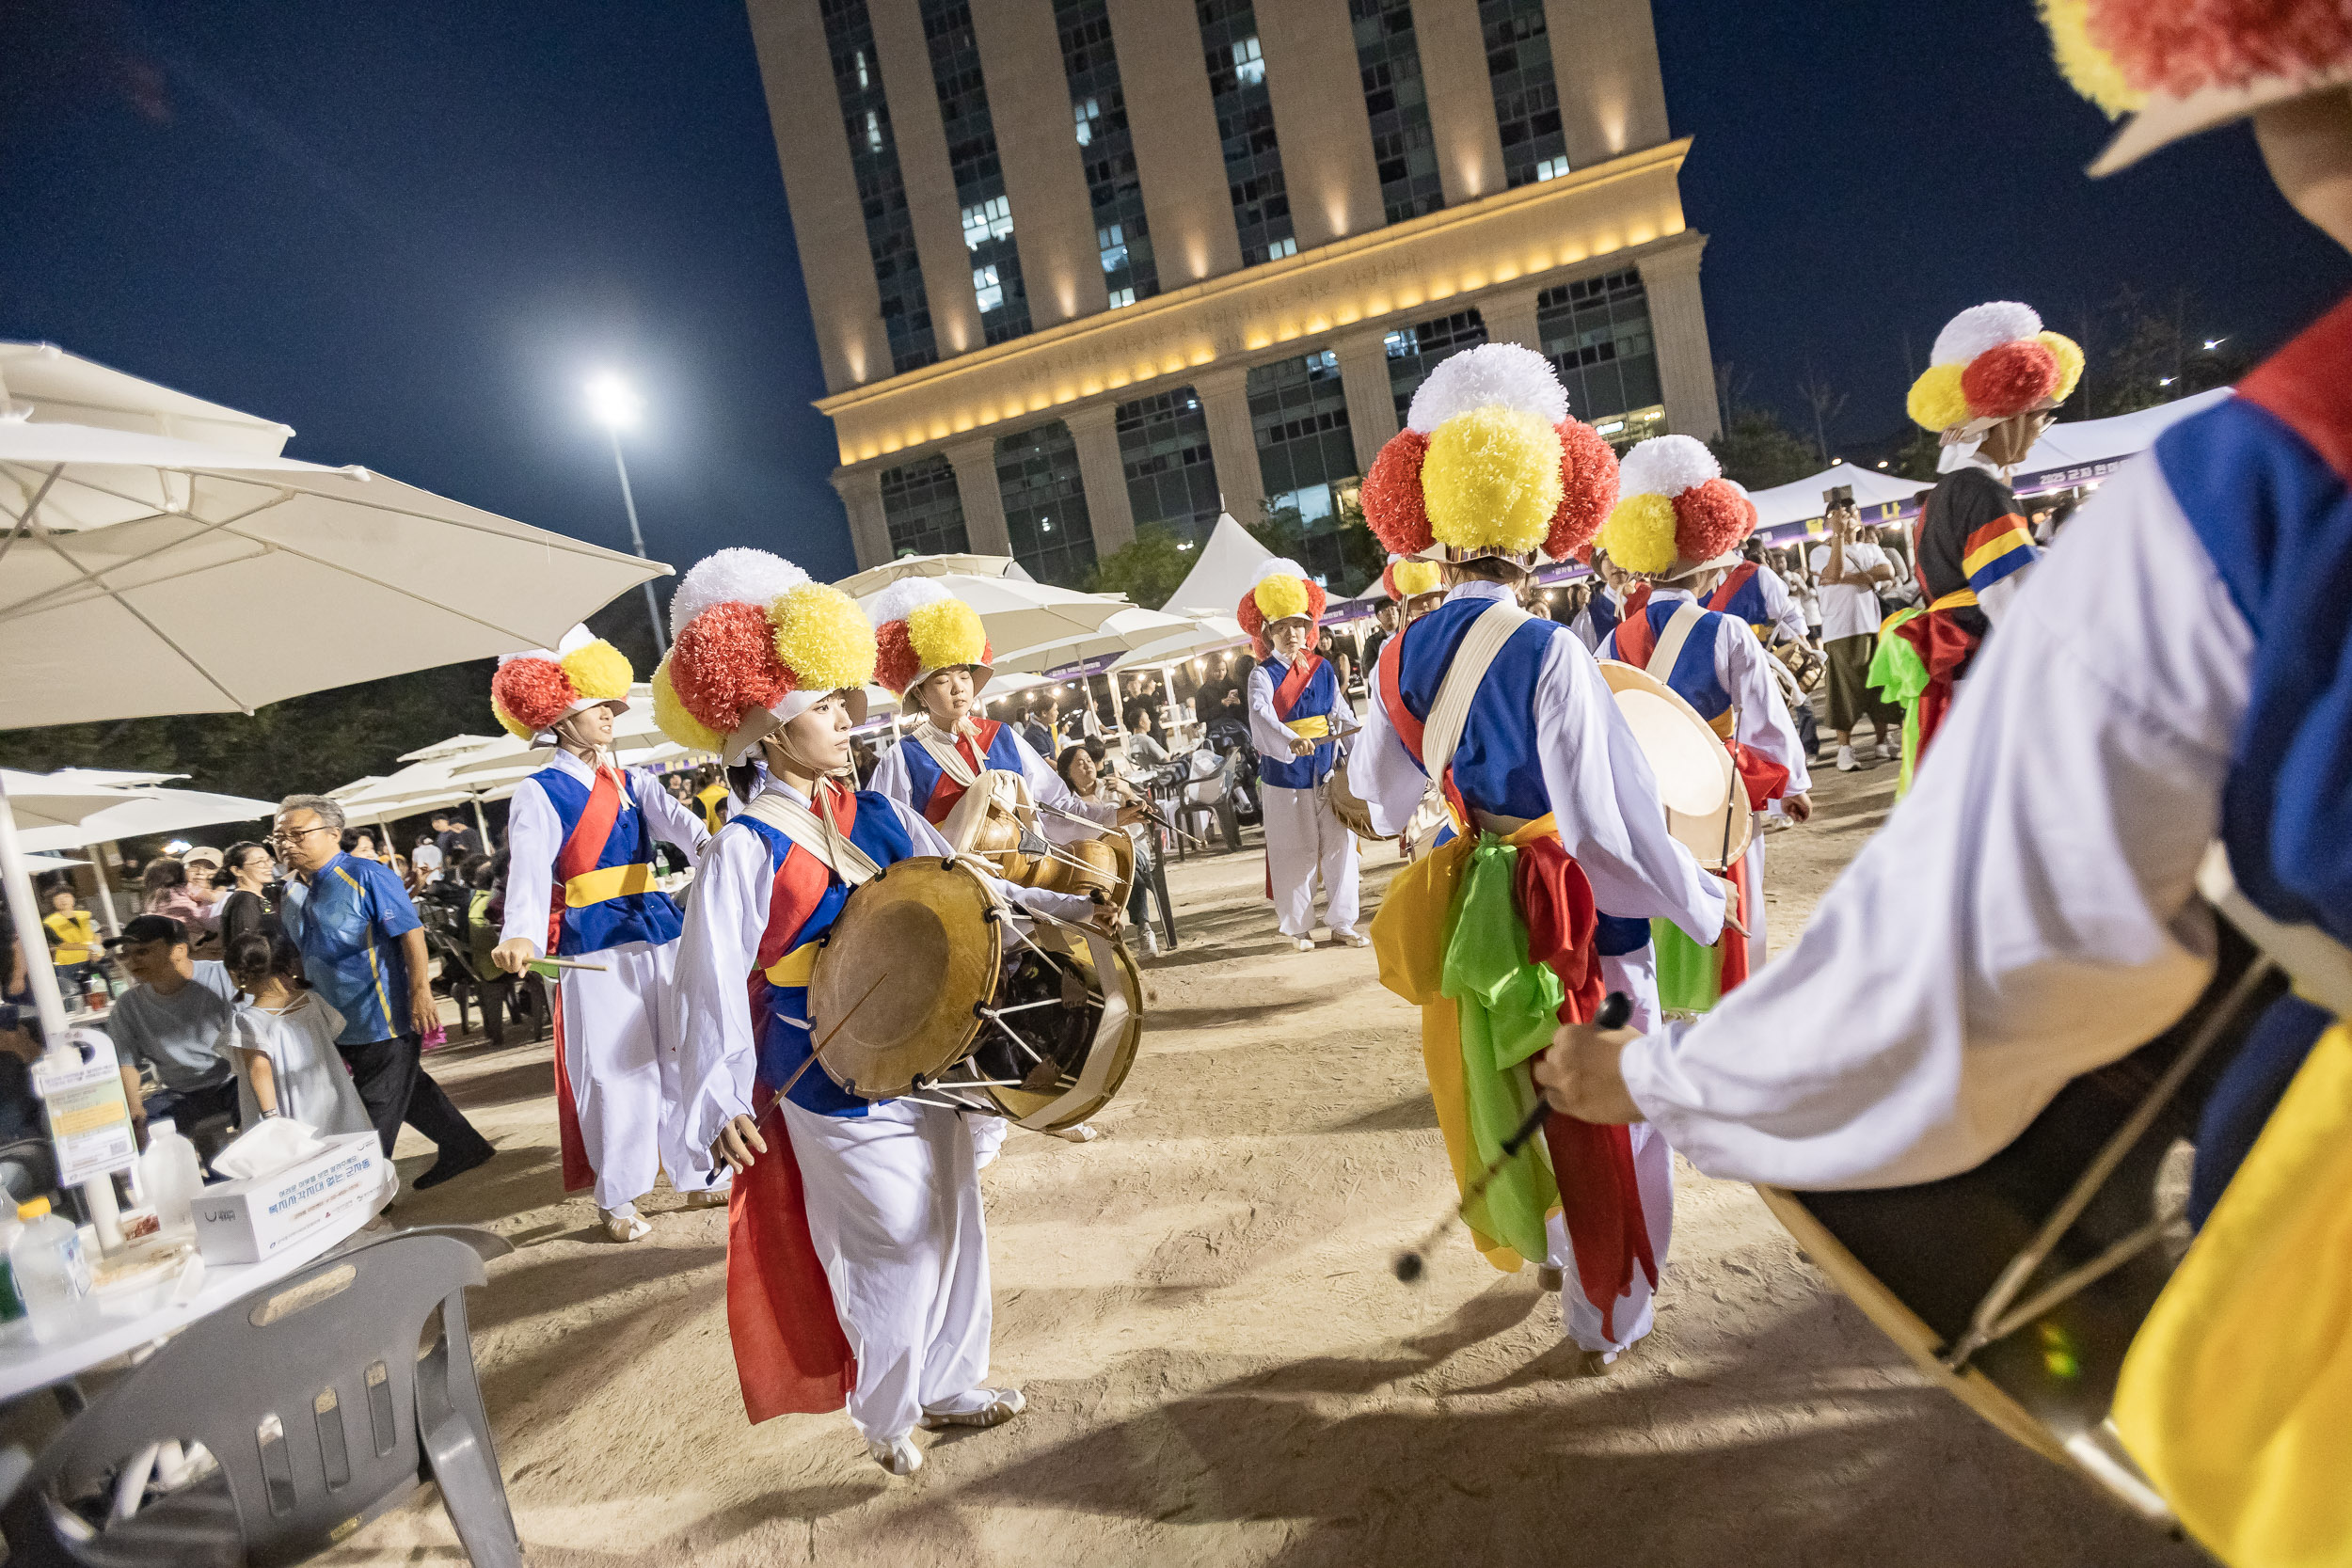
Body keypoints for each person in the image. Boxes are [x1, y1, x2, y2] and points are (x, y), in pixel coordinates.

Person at [1538, 12, 2352, 1557]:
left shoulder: (2250, 477)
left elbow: (1995, 932)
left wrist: (1661, 1069)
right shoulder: (1998, 501)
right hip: (1793, 808)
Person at [657, 547, 1110, 1477]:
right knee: (890, 1236)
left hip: (928, 1044)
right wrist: (719, 1100)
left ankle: (950, 1380)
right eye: (825, 707)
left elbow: (968, 885)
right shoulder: (742, 846)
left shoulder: (878, 812)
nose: (845, 719)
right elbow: (705, 982)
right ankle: (885, 1406)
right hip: (823, 1067)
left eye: (841, 703)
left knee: (951, 1211)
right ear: (774, 731)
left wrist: (1072, 906)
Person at [1351, 341, 1726, 1370]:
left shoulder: (1394, 652)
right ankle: (1611, 1310)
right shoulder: (1554, 648)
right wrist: (1698, 895)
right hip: (1567, 901)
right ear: (1542, 518)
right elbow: (1604, 825)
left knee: (1509, 1079)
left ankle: (1560, 1250)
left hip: (1476, 896)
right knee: (1611, 1092)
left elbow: (1385, 800)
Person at [864, 577, 1138, 1153]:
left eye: (964, 673)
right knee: (982, 1012)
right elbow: (892, 842)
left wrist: (1113, 813)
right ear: (918, 691)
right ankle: (985, 1128)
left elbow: (1059, 811)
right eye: (943, 678)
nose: (959, 687)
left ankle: (1056, 1102)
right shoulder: (901, 758)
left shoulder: (1005, 738)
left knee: (1055, 993)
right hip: (962, 903)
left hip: (1026, 887)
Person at [487, 623, 712, 1242]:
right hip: (594, 942)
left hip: (657, 928)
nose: (611, 716)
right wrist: (523, 934)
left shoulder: (635, 780)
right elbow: (529, 870)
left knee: (682, 1048)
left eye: (611, 705)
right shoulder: (538, 791)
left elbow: (693, 834)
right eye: (596, 707)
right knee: (619, 1068)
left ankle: (696, 1171)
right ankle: (618, 1195)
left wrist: (728, 859)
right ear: (560, 717)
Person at [1593, 436, 1813, 1008]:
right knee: (1738, 906)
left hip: (1643, 798)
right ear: (1711, 564)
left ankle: (1668, 1014)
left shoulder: (1611, 640)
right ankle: (1733, 1017)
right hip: (1716, 792)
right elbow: (1765, 723)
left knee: (1662, 901)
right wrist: (1791, 786)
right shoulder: (1727, 632)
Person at [1887, 299, 2079, 765]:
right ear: (2005, 418)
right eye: (2039, 416)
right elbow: (2013, 600)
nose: (2041, 429)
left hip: (1963, 676)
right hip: (1992, 678)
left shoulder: (1945, 492)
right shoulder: (1980, 491)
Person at [275, 794, 496, 1189]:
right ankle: (464, 1146)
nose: (286, 843)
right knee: (408, 1090)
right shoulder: (290, 892)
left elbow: (410, 932)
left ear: (333, 834)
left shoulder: (366, 874)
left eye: (297, 834)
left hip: (383, 1013)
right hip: (336, 1020)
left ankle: (365, 1191)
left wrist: (420, 992)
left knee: (372, 1107)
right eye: (278, 836)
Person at [1239, 558, 1363, 952]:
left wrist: (1359, 750)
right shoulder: (1261, 675)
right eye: (1282, 627)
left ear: (1309, 629)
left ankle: (1343, 922)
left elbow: (1339, 714)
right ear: (1269, 632)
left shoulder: (1323, 668)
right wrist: (1290, 740)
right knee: (1296, 850)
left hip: (1325, 768)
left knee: (1340, 847)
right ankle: (1297, 927)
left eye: (1299, 625)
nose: (1292, 634)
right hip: (1284, 774)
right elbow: (1260, 715)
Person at [220, 931, 373, 1138]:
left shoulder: (247, 1020)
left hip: (285, 1109)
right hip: (331, 1097)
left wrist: (270, 1117)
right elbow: (333, 1034)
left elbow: (259, 1069)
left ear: (237, 974)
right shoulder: (313, 1001)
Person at [105, 914, 240, 1144]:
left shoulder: (224, 978)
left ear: (179, 950)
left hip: (233, 1081)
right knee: (125, 1134)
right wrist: (135, 1109)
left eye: (143, 951)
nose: (132, 962)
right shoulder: (128, 1006)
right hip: (180, 1093)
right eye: (125, 954)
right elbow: (125, 1063)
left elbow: (253, 1042)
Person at [1810, 500, 1905, 769]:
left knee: (1879, 685)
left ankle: (1882, 740)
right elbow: (1835, 570)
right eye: (1839, 514)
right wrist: (1838, 537)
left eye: (1851, 513)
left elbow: (1888, 571)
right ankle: (1844, 749)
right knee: (1843, 692)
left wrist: (1843, 578)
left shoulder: (1871, 548)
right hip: (1839, 629)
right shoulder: (1819, 552)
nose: (1847, 517)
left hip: (1872, 625)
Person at [1057, 743, 1165, 955]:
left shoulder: (1112, 785)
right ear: (1067, 773)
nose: (1087, 765)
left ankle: (1144, 929)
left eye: (1089, 760)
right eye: (1079, 763)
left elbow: (1154, 814)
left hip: (1132, 849)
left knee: (1128, 870)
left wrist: (1128, 793)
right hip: (1096, 862)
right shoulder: (1067, 803)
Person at [215, 841, 281, 950]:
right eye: (260, 862)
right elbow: (248, 951)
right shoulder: (245, 902)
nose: (269, 865)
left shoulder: (259, 896)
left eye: (269, 859)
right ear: (237, 870)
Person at [1567, 548, 1629, 653]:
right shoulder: (1586, 619)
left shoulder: (1650, 601)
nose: (1616, 563)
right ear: (1600, 565)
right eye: (1608, 556)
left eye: (1623, 555)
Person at [40, 888, 98, 996]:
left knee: (98, 991)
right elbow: (61, 944)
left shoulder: (86, 915)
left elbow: (97, 934)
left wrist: (97, 952)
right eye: (58, 898)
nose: (63, 901)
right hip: (67, 965)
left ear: (73, 899)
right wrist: (89, 947)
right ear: (53, 902)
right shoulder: (49, 922)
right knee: (74, 995)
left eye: (66, 896)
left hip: (91, 961)